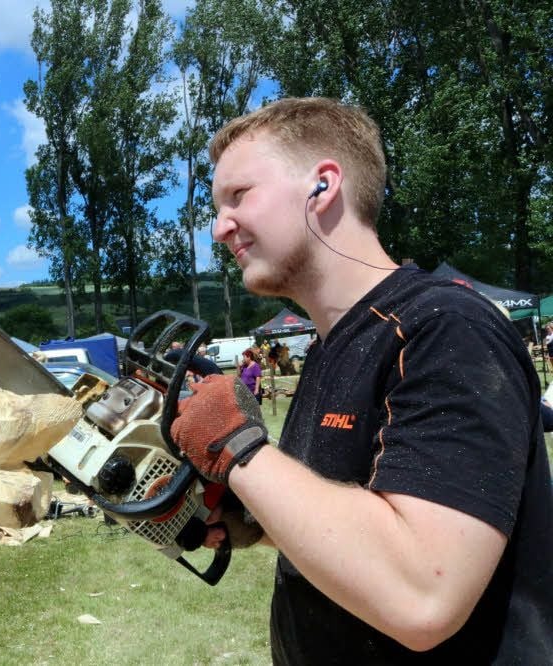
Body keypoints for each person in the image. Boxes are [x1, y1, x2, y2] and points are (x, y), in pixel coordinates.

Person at [171, 97, 552, 663]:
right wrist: (248, 517)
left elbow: (422, 594)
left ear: (322, 187)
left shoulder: (445, 331)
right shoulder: (333, 345)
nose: (219, 226)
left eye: (238, 196)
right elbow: (352, 515)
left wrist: (239, 447)